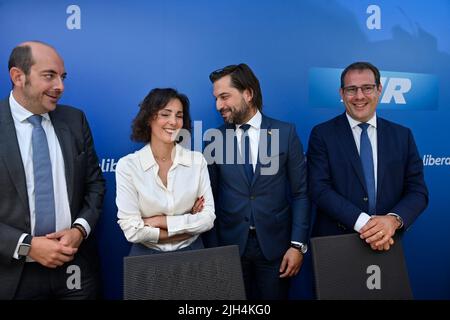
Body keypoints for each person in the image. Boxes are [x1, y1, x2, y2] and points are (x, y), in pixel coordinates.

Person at [0, 41, 106, 299]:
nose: (60, 86)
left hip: (75, 269)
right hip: (12, 275)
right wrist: (27, 246)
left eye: (62, 77)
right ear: (18, 76)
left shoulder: (75, 120)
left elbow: (95, 185)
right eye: (49, 76)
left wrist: (79, 230)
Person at [204, 63, 310, 300]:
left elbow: (301, 193)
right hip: (229, 248)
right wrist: (214, 251)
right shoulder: (214, 139)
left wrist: (297, 245)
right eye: (216, 99)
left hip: (276, 250)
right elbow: (208, 198)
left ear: (248, 94)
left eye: (224, 97)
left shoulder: (286, 133)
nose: (219, 105)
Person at [307, 61, 428, 250]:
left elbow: (418, 191)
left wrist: (392, 221)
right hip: (336, 242)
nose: (359, 96)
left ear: (379, 90)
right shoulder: (322, 134)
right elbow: (319, 188)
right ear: (341, 93)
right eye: (351, 89)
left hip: (387, 241)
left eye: (367, 88)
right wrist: (366, 224)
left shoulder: (402, 135)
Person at [116, 88, 215, 256]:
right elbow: (132, 230)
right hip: (146, 255)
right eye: (165, 114)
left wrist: (158, 221)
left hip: (192, 253)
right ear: (149, 118)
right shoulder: (128, 166)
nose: (173, 122)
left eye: (179, 115)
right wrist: (188, 226)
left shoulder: (197, 161)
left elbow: (207, 219)